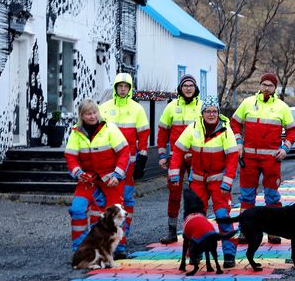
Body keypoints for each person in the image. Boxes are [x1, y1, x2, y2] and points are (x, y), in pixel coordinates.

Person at [169, 95, 238, 268]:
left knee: (222, 216)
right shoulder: (192, 128)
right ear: (202, 113)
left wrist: (227, 181)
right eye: (208, 111)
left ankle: (229, 253)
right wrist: (175, 173)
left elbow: (232, 157)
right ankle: (194, 252)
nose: (211, 114)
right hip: (198, 181)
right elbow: (178, 150)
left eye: (214, 111)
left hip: (218, 182)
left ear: (218, 112)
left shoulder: (225, 130)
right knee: (195, 218)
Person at [231, 73, 295, 244]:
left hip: (271, 160)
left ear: (275, 88)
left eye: (270, 85)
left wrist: (285, 148)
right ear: (259, 85)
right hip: (249, 159)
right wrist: (238, 142)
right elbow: (234, 123)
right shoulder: (247, 103)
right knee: (246, 198)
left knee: (272, 197)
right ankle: (245, 231)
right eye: (264, 84)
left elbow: (292, 131)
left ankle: (273, 231)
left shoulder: (282, 107)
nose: (267, 88)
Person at [64, 98, 129, 252]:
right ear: (82, 116)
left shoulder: (110, 128)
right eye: (88, 114)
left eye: (94, 113)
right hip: (88, 180)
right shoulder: (76, 132)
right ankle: (81, 249)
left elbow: (124, 153)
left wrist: (117, 175)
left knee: (116, 215)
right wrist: (78, 172)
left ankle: (119, 248)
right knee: (77, 209)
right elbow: (70, 157)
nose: (92, 116)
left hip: (111, 179)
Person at [98, 73, 150, 258]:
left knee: (126, 202)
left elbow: (143, 136)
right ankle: (107, 241)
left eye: (125, 86)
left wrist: (142, 160)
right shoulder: (103, 108)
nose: (122, 89)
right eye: (119, 86)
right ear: (115, 87)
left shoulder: (137, 109)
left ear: (130, 88)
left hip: (129, 165)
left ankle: (121, 243)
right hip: (106, 163)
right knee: (107, 203)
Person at [157, 74, 203, 243]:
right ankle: (171, 231)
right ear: (180, 89)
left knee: (197, 194)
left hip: (196, 157)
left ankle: (194, 229)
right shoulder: (171, 107)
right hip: (175, 157)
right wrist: (162, 154)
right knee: (174, 192)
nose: (188, 88)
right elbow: (162, 131)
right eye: (185, 86)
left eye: (191, 85)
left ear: (196, 88)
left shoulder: (202, 107)